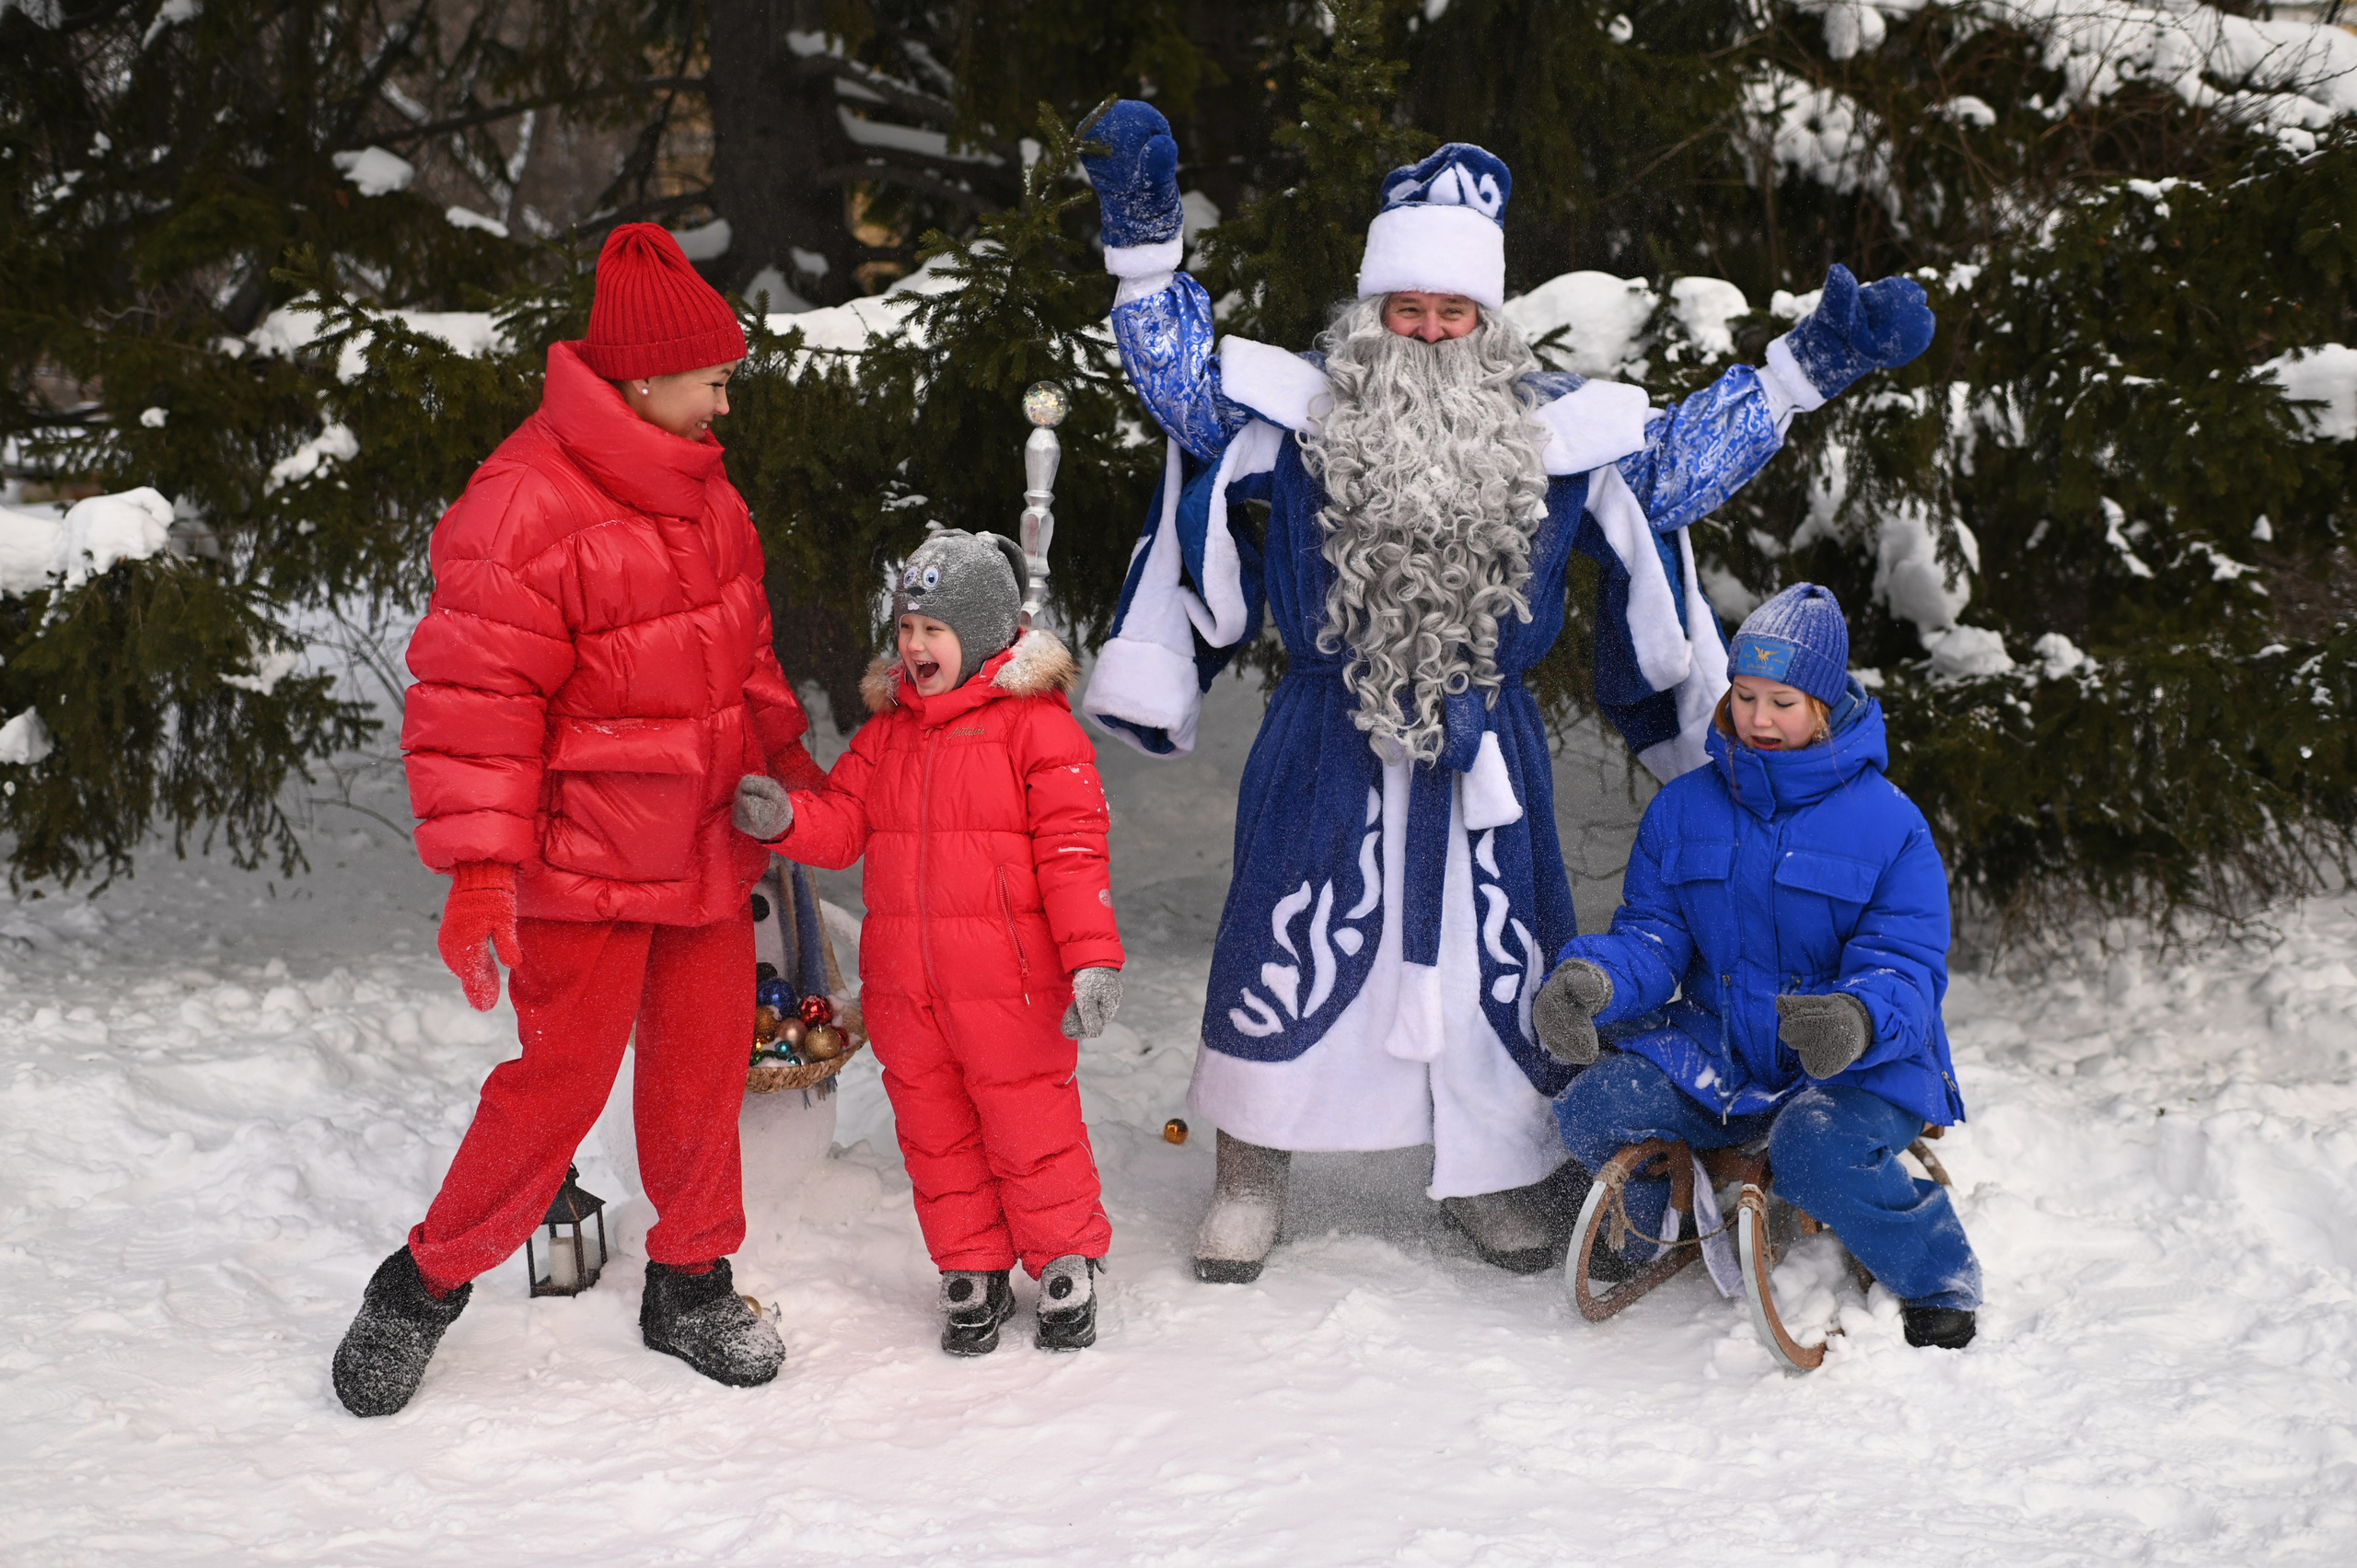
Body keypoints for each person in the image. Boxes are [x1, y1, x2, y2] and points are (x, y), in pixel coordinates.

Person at [1075, 99, 1939, 1282]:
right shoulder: (1306, 411)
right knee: (1283, 939)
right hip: (1325, 737)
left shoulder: (1551, 432)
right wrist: (1143, 248)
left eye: (1454, 312)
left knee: (1497, 961)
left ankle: (1487, 1172)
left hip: (1488, 746)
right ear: (1372, 313)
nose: (1431, 333)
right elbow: (1181, 389)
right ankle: (1250, 1169)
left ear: (1488, 322)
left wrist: (1805, 368)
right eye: (1409, 310)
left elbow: (1677, 468)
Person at [332, 224, 826, 1416]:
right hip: (582, 860)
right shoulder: (522, 504)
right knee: (557, 1083)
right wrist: (479, 871)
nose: (726, 401)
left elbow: (748, 659)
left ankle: (692, 1278)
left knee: (702, 1067)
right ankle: (420, 1283)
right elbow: (473, 707)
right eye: (712, 379)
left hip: (703, 846)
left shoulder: (705, 489)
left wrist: (791, 778)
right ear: (643, 380)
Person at [1538, 584, 1981, 1349]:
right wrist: (1597, 981)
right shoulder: (1685, 809)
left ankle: (1934, 1275)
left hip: (1858, 1061)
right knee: (1596, 1105)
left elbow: (1904, 965)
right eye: (1744, 696)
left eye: (1782, 701)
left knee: (1813, 1146)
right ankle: (1655, 1221)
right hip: (1724, 1050)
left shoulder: (1890, 826)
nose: (1758, 719)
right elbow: (1654, 935)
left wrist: (1856, 1017)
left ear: (1824, 705)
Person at [751, 528, 1125, 1354]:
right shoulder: (888, 735)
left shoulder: (1036, 730)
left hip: (1011, 989)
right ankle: (971, 1263)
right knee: (936, 1133)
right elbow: (844, 822)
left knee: (1031, 1124)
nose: (915, 646)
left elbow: (1073, 854)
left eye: (934, 629)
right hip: (908, 991)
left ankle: (1063, 1256)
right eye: (906, 628)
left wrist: (1093, 958)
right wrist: (786, 819)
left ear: (984, 633)